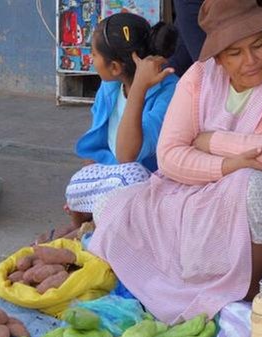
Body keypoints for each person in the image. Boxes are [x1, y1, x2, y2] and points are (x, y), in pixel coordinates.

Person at [87, 0, 262, 323]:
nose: (251, 60)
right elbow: (169, 155)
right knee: (115, 204)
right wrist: (227, 166)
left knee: (251, 187)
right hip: (204, 192)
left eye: (258, 45)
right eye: (235, 53)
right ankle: (173, 285)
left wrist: (209, 141)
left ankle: (242, 294)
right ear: (218, 57)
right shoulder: (200, 75)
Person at [58, 13, 178, 239]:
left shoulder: (169, 92)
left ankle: (94, 230)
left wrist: (140, 88)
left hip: (151, 184)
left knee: (130, 176)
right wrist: (90, 173)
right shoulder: (110, 86)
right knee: (76, 184)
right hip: (112, 175)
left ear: (114, 67)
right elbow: (99, 140)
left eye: (94, 55)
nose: (91, 59)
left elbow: (126, 155)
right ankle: (84, 227)